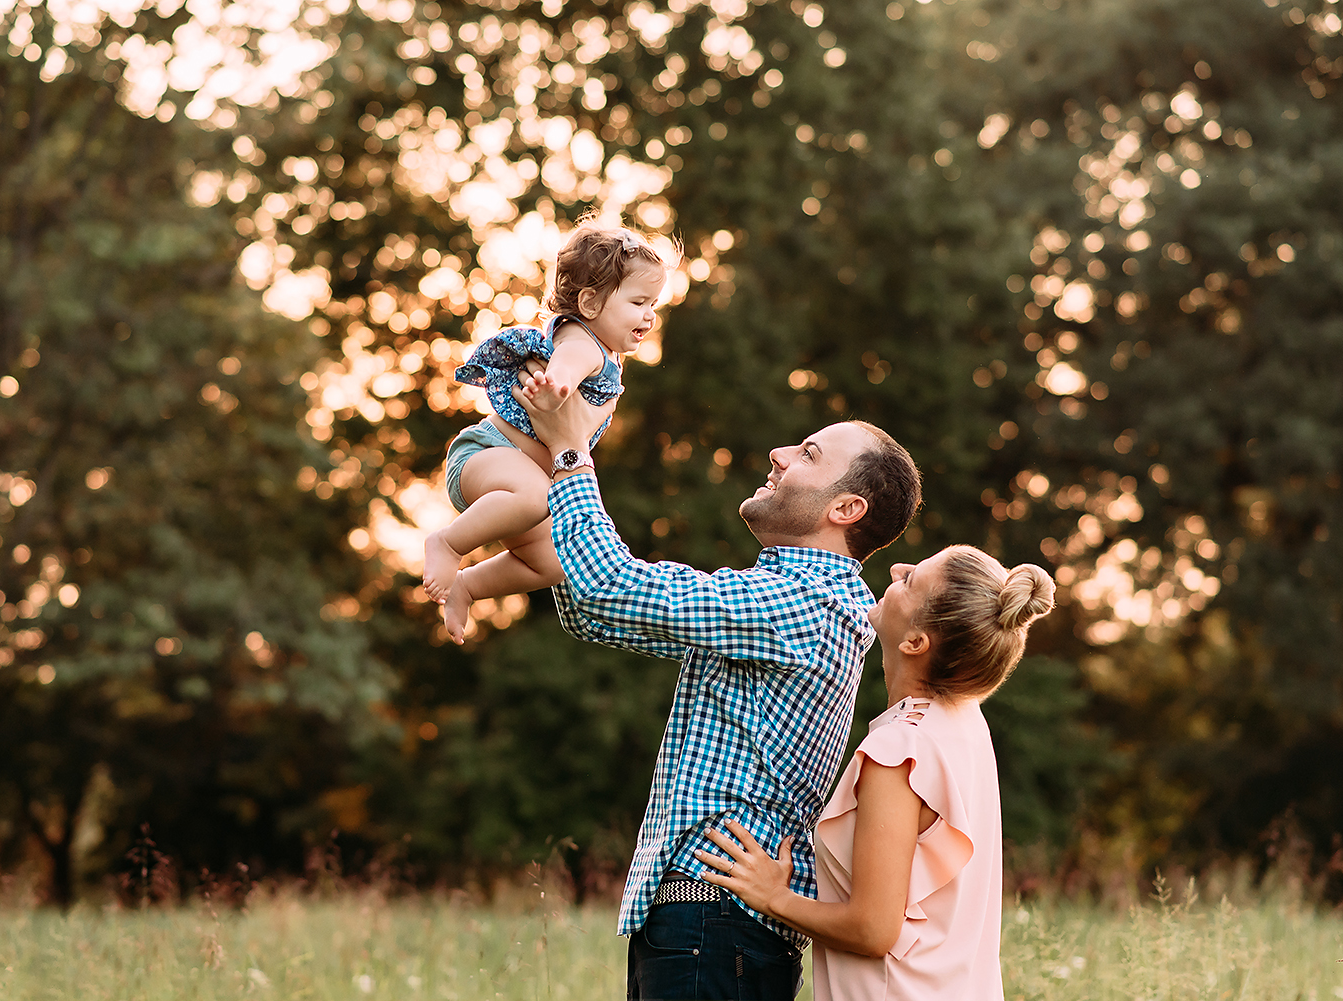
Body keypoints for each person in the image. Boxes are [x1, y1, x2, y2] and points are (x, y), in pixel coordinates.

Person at [511, 374, 923, 1001]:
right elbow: (594, 612)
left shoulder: (803, 602)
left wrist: (571, 455)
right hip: (711, 924)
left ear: (845, 510)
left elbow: (610, 587)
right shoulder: (782, 598)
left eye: (808, 454)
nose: (779, 455)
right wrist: (532, 493)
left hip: (714, 919)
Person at [694, 546, 1055, 1001]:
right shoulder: (966, 726)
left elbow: (872, 929)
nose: (896, 569)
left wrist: (774, 898)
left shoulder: (899, 749)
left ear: (915, 642)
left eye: (910, 581)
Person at [425, 221, 670, 644]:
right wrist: (557, 386)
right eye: (638, 302)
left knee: (555, 564)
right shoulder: (584, 343)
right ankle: (447, 544)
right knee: (535, 498)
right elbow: (566, 367)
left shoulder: (603, 350)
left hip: (518, 478)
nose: (650, 314)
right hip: (487, 453)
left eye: (654, 303)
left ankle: (468, 586)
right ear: (590, 302)